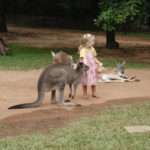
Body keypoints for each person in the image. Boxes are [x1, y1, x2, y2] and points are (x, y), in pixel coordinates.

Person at [79, 33, 102, 98]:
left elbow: (94, 58)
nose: (93, 42)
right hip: (85, 68)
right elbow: (82, 59)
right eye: (92, 41)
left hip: (92, 67)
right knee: (85, 80)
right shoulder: (83, 50)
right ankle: (85, 93)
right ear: (86, 42)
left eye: (93, 41)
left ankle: (94, 93)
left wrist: (99, 62)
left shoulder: (92, 49)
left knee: (93, 80)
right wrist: (85, 65)